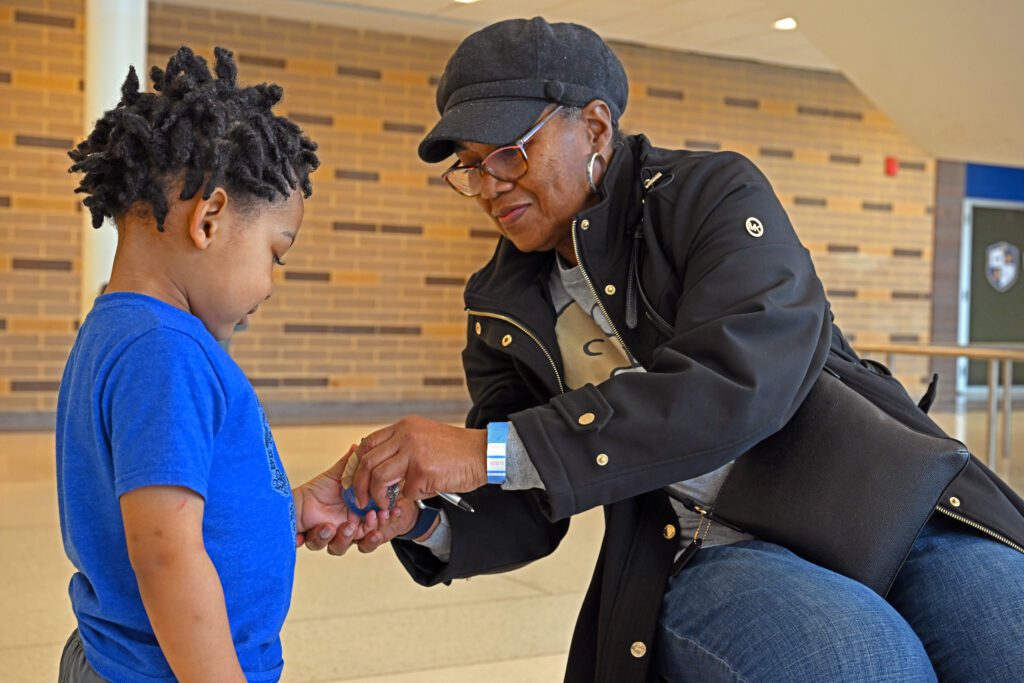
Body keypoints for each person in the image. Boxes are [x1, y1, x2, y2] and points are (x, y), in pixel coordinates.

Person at [326, 18, 1024, 682]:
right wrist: (422, 516)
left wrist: (488, 449)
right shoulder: (502, 304)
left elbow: (738, 379)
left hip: (879, 496)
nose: (489, 186)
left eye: (509, 151)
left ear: (595, 127)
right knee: (863, 659)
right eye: (472, 167)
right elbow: (531, 498)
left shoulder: (711, 194)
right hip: (711, 549)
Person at [56, 46, 396, 682]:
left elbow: (172, 506)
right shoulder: (165, 353)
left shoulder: (122, 330)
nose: (270, 284)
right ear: (209, 218)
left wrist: (287, 510)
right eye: (276, 254)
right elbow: (165, 556)